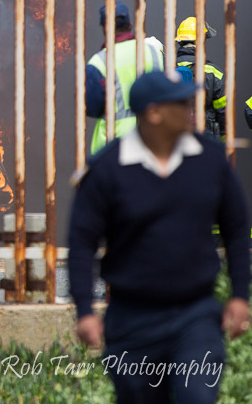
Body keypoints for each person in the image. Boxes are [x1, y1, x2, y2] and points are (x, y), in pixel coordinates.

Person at [69, 70, 250, 403]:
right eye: (180, 103)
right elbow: (81, 242)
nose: (191, 110)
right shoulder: (109, 168)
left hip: (196, 315)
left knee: (196, 396)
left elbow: (236, 228)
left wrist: (239, 295)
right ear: (153, 113)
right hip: (131, 320)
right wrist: (84, 309)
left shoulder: (209, 160)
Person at [85, 1, 164, 154]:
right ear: (129, 25)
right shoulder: (154, 53)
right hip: (155, 142)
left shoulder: (99, 62)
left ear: (104, 28)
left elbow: (92, 107)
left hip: (114, 148)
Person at [175, 17, 227, 139]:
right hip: (205, 138)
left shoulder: (166, 68)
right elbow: (224, 113)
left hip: (174, 139)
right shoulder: (213, 73)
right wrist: (224, 143)